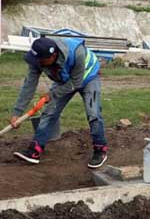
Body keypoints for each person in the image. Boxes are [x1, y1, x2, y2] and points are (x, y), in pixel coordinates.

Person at [11, 37, 108, 168]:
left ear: (53, 56)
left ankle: (100, 150)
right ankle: (35, 150)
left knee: (93, 113)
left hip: (88, 76)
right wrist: (17, 112)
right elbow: (29, 85)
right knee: (49, 112)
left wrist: (51, 95)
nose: (37, 63)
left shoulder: (77, 53)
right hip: (64, 79)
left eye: (41, 60)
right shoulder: (37, 59)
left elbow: (75, 83)